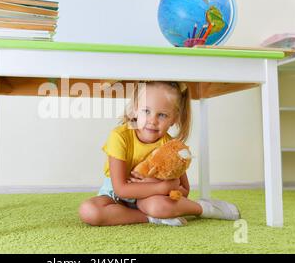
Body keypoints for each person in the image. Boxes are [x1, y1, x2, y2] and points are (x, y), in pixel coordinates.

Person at [79, 81, 240, 226]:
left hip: (150, 200)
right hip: (116, 197)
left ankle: (203, 208)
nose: (152, 120)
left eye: (162, 115)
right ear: (135, 109)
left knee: (157, 206)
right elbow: (121, 189)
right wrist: (162, 186)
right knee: (89, 211)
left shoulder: (170, 146)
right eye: (146, 111)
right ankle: (151, 218)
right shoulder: (119, 136)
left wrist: (163, 188)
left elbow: (184, 189)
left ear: (174, 119)